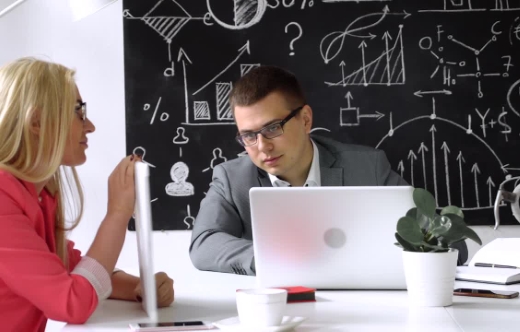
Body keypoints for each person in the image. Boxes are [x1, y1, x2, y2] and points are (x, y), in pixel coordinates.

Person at [189, 66, 471, 276]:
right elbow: (203, 244)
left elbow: (452, 240)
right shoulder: (231, 178)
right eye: (249, 135)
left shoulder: (368, 168)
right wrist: (268, 258)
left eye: (273, 128)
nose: (262, 146)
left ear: (305, 119)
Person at [0, 57, 175, 332]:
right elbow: (72, 302)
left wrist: (140, 288)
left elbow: (72, 268)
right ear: (37, 121)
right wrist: (117, 214)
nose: (90, 125)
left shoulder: (39, 195)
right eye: (78, 112)